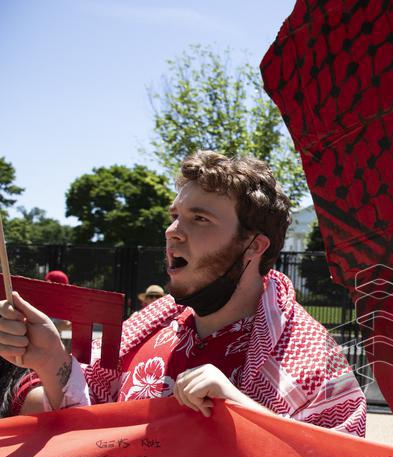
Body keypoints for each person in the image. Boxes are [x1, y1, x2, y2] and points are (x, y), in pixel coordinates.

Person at [0, 150, 366, 435]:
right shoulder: (146, 330)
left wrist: (244, 413)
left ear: (254, 246)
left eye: (199, 218)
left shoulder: (315, 364)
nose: (172, 231)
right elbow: (94, 430)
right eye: (175, 215)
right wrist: (50, 360)